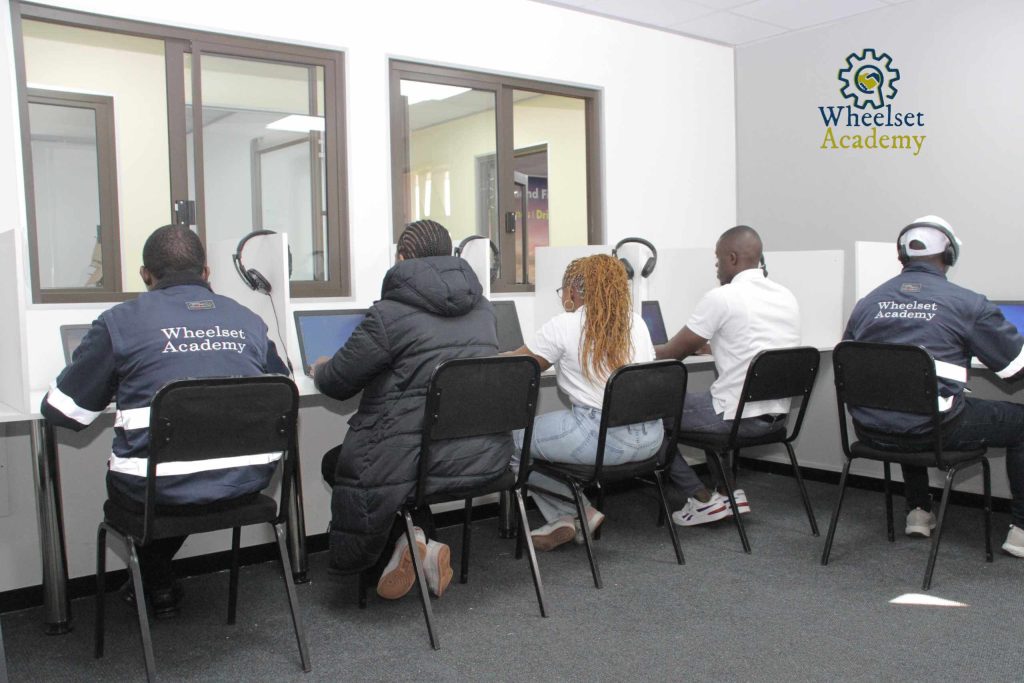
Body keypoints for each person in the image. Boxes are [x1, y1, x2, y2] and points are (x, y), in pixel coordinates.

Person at [41, 225, 289, 618]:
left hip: (156, 492)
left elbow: (63, 413)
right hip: (245, 484)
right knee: (187, 468)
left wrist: (115, 383)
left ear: (145, 274)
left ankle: (153, 581)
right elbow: (283, 389)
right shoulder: (249, 321)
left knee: (163, 478)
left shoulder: (120, 322)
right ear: (206, 273)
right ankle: (156, 582)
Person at [315, 220, 511, 600]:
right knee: (398, 461)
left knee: (338, 462)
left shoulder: (389, 315)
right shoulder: (484, 309)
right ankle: (420, 544)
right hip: (484, 455)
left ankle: (411, 543)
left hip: (420, 462)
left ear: (402, 258)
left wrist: (319, 368)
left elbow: (338, 383)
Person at [843, 215, 1024, 555]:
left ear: (902, 256)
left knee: (904, 401)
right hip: (933, 431)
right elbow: (1015, 367)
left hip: (870, 429)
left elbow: (853, 364)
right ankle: (1021, 531)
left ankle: (918, 511)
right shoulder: (968, 304)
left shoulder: (867, 304)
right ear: (950, 255)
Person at [507, 254, 663, 551]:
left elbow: (519, 366)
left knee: (511, 441)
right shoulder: (637, 323)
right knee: (547, 440)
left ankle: (576, 511)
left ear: (573, 291)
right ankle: (569, 516)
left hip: (600, 439)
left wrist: (475, 356)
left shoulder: (566, 324)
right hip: (651, 439)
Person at [655, 225, 800, 526]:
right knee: (708, 399)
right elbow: (753, 340)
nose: (717, 267)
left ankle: (700, 497)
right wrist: (710, 345)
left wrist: (628, 346)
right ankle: (728, 491)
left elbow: (669, 354)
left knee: (648, 413)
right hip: (776, 417)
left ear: (732, 258)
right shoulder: (785, 296)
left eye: (718, 260)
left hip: (735, 419)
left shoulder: (723, 297)